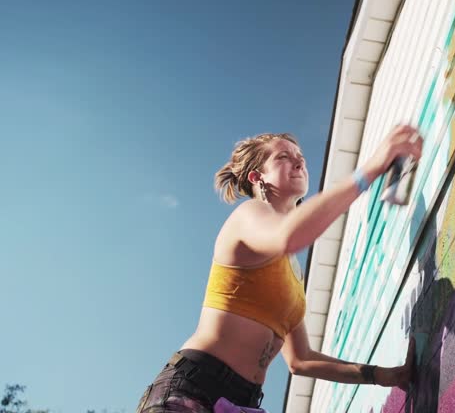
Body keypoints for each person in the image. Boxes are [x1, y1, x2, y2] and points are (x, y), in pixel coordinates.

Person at [136, 125, 423, 413]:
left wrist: (380, 375)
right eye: (283, 157)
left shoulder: (293, 272)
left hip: (243, 401)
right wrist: (370, 169)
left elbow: (301, 360)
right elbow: (290, 236)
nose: (300, 161)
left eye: (301, 157)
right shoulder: (249, 214)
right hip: (194, 389)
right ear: (256, 177)